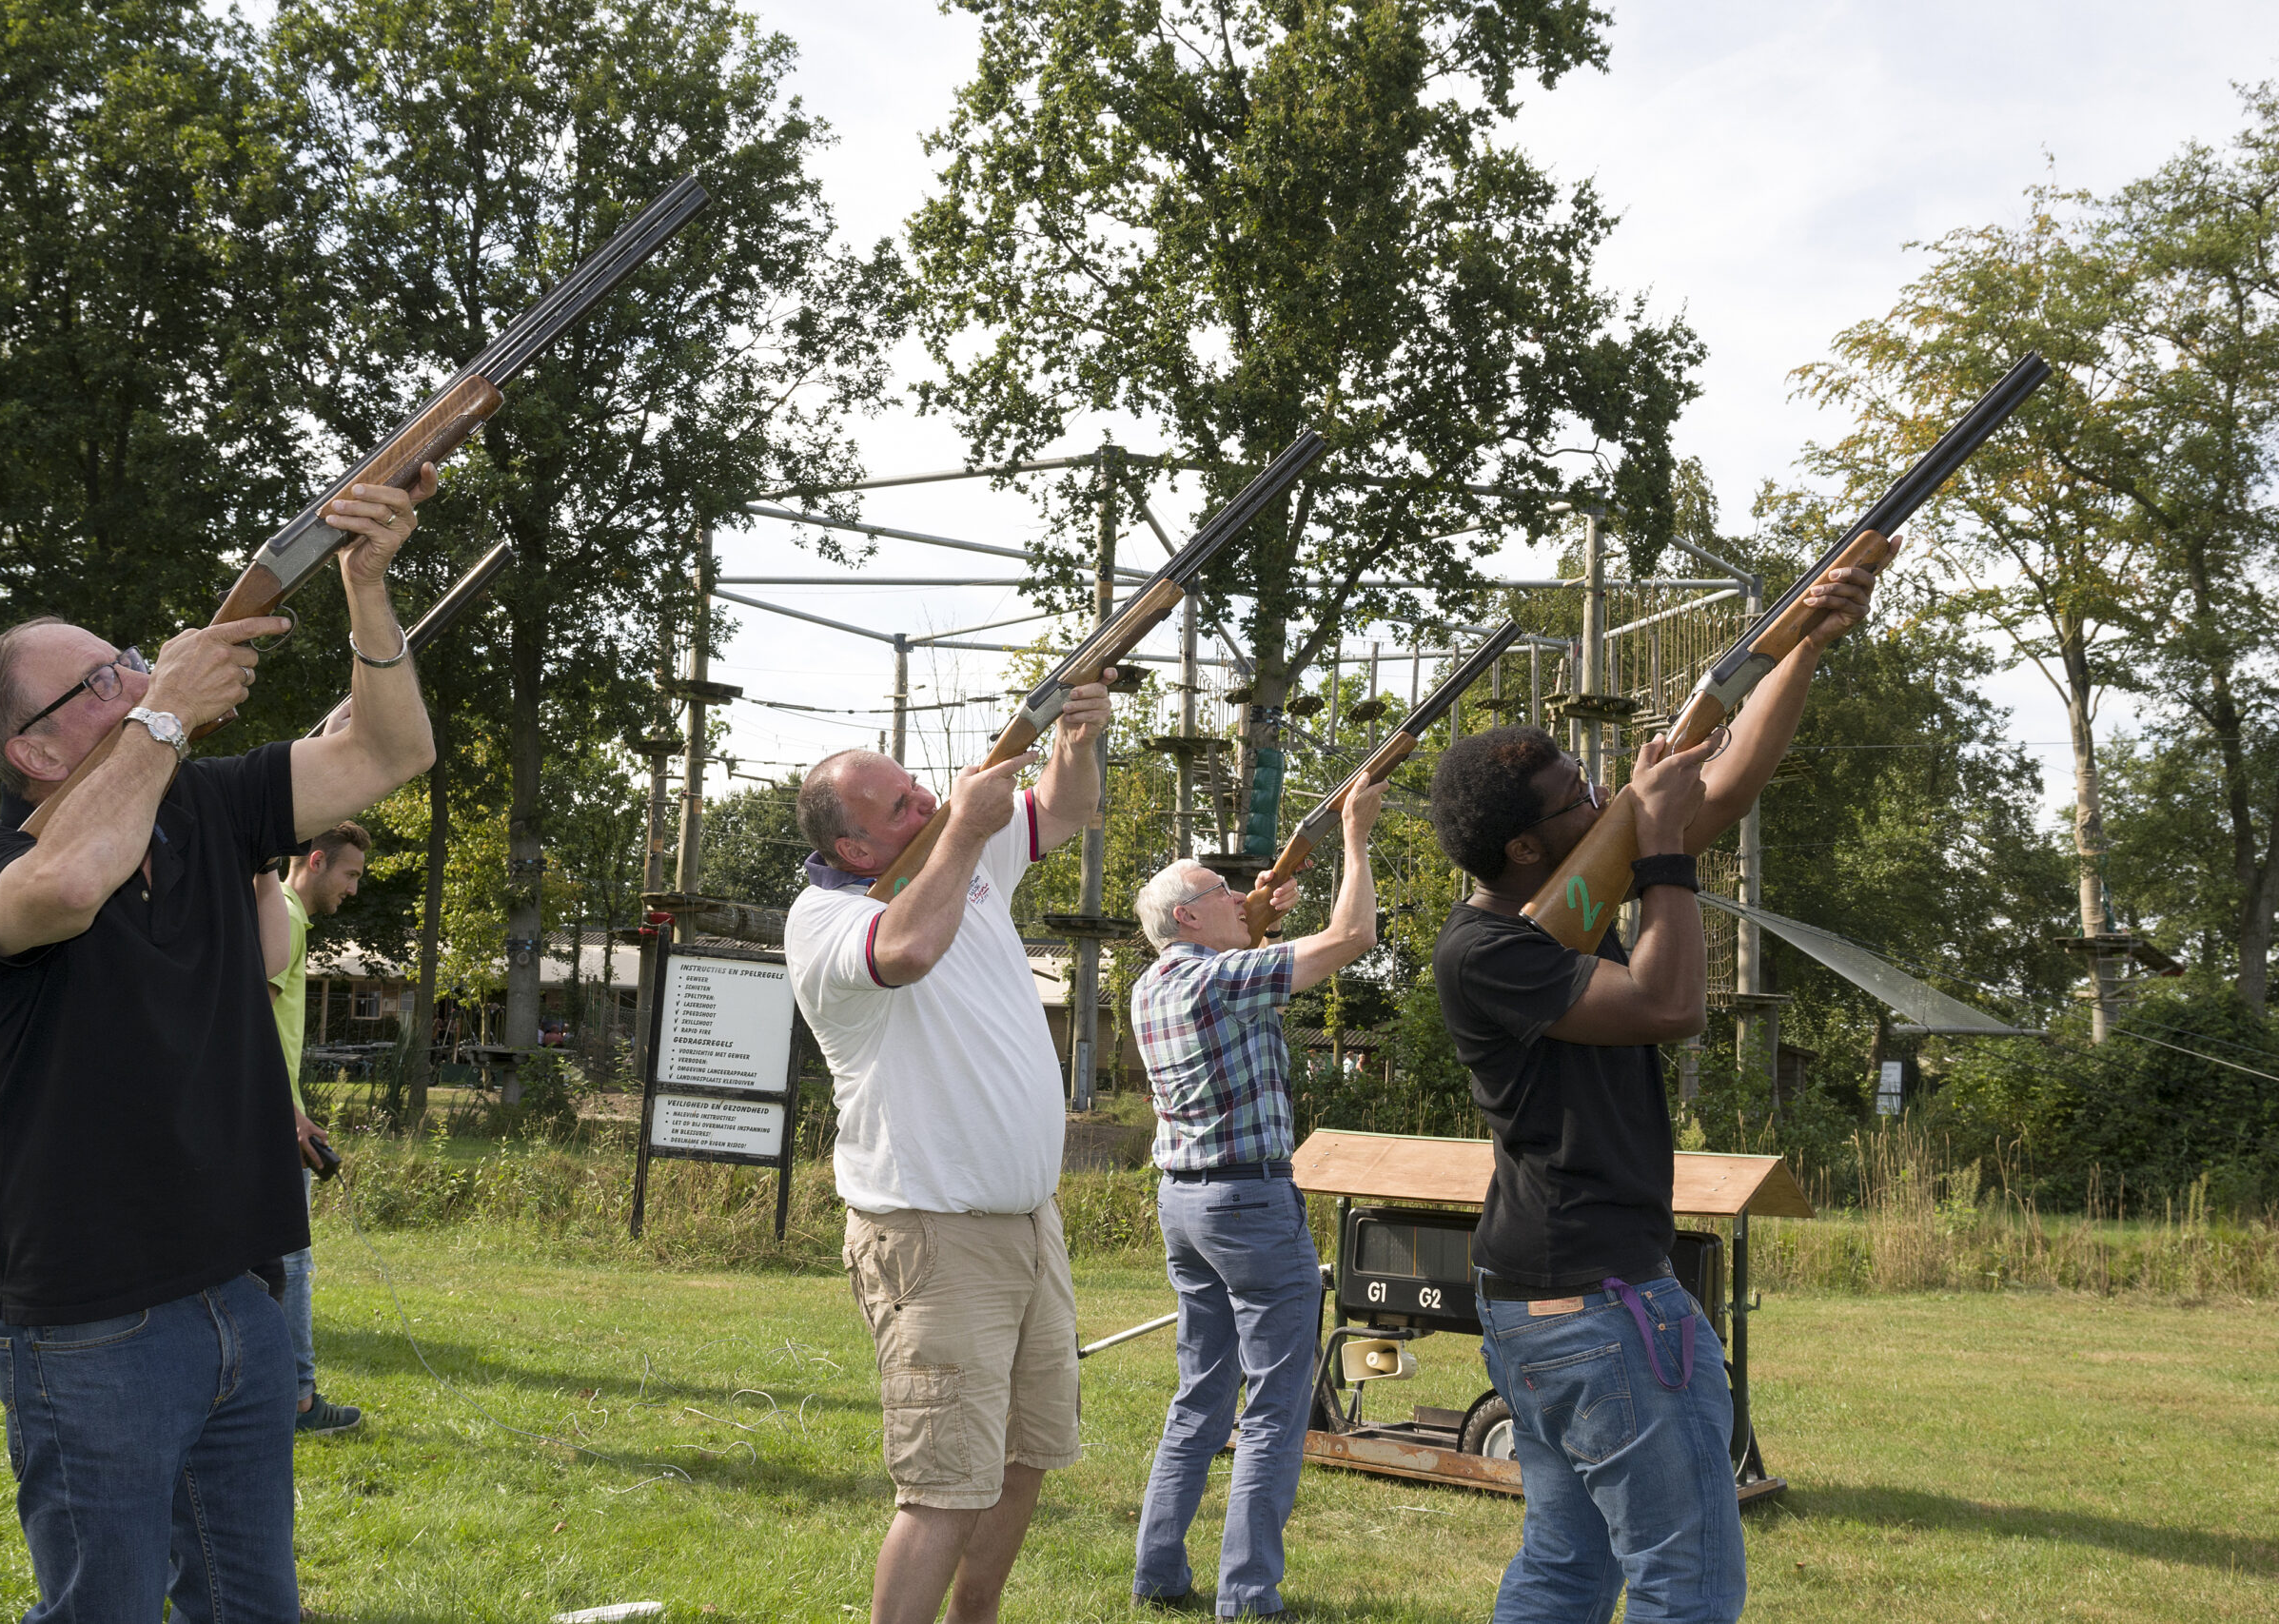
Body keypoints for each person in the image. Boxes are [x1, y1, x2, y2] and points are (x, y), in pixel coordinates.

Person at [0, 470, 441, 1624]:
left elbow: (388, 753)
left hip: (240, 1295)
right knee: (101, 1610)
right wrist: (163, 713)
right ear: (38, 753)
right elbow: (62, 887)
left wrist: (367, 588)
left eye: (128, 659)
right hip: (92, 1319)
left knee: (255, 1610)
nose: (136, 674)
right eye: (103, 678)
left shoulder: (207, 805)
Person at [1425, 549, 1890, 1624]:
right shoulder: (1483, 954)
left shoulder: (1543, 904)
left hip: (1546, 1299)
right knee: (1685, 1584)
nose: (1598, 795)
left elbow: (1720, 788)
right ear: (1529, 844)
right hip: (1599, 1302)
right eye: (1574, 796)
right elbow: (1669, 1002)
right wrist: (1662, 843)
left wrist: (1805, 644)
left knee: (1566, 1569)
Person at [782, 671, 1112, 1624]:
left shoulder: (960, 856)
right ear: (853, 844)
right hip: (929, 1234)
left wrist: (1077, 736)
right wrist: (963, 827)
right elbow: (908, 949)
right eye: (902, 805)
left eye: (922, 789)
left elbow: (1065, 807)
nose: (927, 801)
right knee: (942, 1488)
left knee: (1024, 1455)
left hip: (1024, 1223)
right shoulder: (824, 920)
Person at [1125, 780, 1388, 1618]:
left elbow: (1239, 956)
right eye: (1220, 891)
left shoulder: (1154, 985)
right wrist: (1355, 837)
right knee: (1274, 1403)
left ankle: (1160, 1574)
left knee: (1200, 1394)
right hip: (1249, 1204)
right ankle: (1249, 1594)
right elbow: (1353, 935)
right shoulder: (1220, 981)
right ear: (1190, 919)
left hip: (1185, 1205)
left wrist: (1254, 914)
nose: (1240, 894)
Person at [254, 819, 372, 1438]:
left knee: (273, 1261)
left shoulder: (282, 916)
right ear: (318, 860)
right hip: (271, 1117)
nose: (353, 889)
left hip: (276, 1110)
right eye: (350, 874)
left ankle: (270, 1392)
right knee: (293, 1261)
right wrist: (286, 1112)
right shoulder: (289, 920)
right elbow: (256, 1020)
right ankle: (300, 1399)